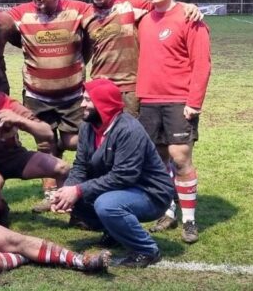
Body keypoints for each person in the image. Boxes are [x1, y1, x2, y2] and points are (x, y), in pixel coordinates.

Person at [50, 79, 176, 267]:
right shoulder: (87, 127)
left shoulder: (128, 129)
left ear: (104, 104)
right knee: (76, 197)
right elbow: (80, 166)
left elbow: (124, 176)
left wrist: (78, 190)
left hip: (151, 193)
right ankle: (115, 232)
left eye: (88, 100)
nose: (82, 104)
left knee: (106, 205)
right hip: (122, 188)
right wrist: (66, 191)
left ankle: (147, 250)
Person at [6, 0, 93, 211]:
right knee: (44, 143)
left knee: (75, 141)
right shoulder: (21, 13)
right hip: (37, 95)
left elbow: (105, 10)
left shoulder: (77, 9)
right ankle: (51, 195)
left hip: (73, 95)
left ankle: (76, 181)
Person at [137, 0, 212, 244]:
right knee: (158, 161)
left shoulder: (190, 18)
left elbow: (202, 64)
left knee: (180, 158)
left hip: (179, 101)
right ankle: (167, 211)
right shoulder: (144, 20)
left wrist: (194, 103)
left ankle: (189, 221)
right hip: (148, 101)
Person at [83, 0, 201, 116]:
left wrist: (188, 6)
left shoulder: (133, 4)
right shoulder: (85, 13)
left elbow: (165, 4)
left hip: (130, 88)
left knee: (130, 129)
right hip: (99, 85)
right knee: (101, 130)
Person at [0, 62, 71, 199]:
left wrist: (19, 120)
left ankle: (64, 205)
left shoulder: (9, 106)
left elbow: (47, 133)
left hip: (13, 158)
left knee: (62, 168)